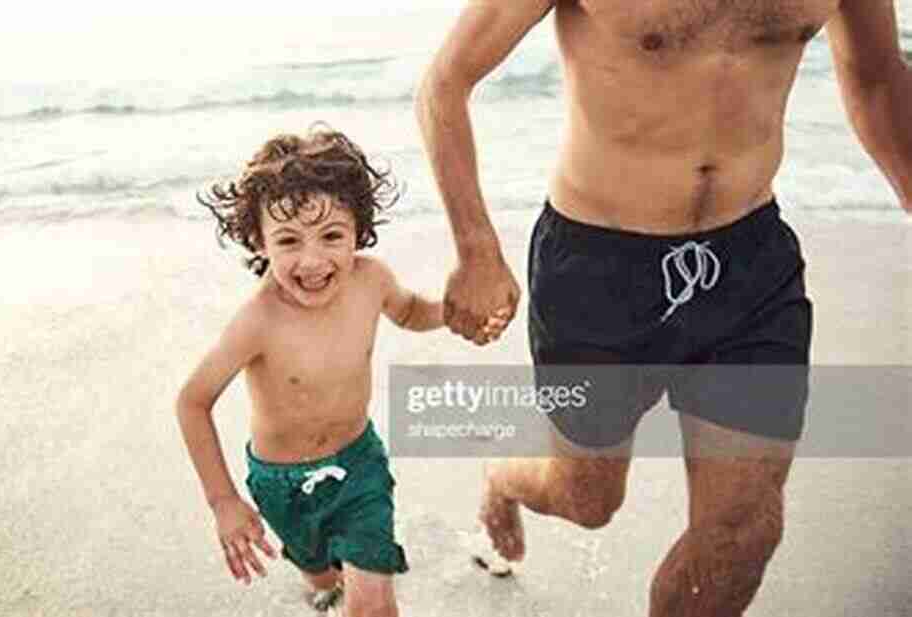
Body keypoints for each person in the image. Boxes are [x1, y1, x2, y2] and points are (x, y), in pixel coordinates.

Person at [414, 1, 911, 616]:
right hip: (598, 269)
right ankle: (506, 478)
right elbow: (445, 81)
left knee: (743, 530)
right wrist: (476, 250)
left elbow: (878, 76)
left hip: (750, 265)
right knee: (587, 500)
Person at [176, 126, 445, 616]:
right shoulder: (258, 321)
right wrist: (224, 503)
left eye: (332, 236)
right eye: (288, 240)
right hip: (282, 485)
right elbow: (192, 402)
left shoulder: (372, 281)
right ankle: (324, 587)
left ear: (358, 230)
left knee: (372, 605)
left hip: (361, 467)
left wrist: (452, 310)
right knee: (323, 582)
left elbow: (410, 312)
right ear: (259, 241)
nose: (313, 260)